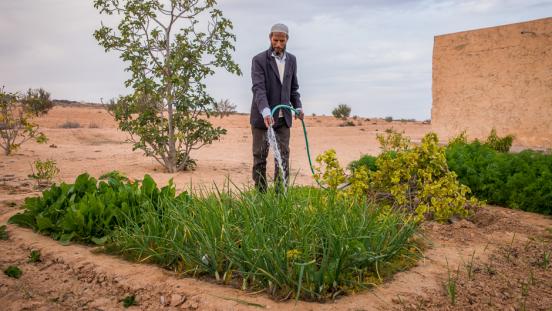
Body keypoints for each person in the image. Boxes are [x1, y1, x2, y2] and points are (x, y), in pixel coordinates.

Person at [250, 23, 304, 192]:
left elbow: (293, 88)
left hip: (283, 119)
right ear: (270, 38)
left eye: (282, 40)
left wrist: (298, 107)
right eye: (275, 40)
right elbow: (258, 88)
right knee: (260, 158)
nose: (278, 44)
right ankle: (261, 195)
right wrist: (266, 111)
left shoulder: (292, 60)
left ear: (287, 39)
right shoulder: (258, 60)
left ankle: (280, 196)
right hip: (262, 120)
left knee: (282, 158)